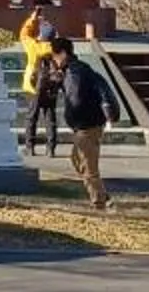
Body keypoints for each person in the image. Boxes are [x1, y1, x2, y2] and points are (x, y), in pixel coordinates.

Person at [49, 35, 122, 208]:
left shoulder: (76, 73)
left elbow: (78, 100)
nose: (54, 60)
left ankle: (99, 202)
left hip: (87, 125)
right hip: (84, 125)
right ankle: (103, 196)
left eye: (55, 56)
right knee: (77, 159)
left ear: (63, 54)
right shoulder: (73, 71)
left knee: (88, 166)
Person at [19, 8, 63, 156]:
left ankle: (30, 147)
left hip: (34, 83)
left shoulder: (33, 46)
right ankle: (51, 148)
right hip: (52, 84)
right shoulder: (56, 49)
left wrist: (33, 19)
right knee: (50, 116)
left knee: (32, 115)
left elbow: (24, 34)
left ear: (40, 35)